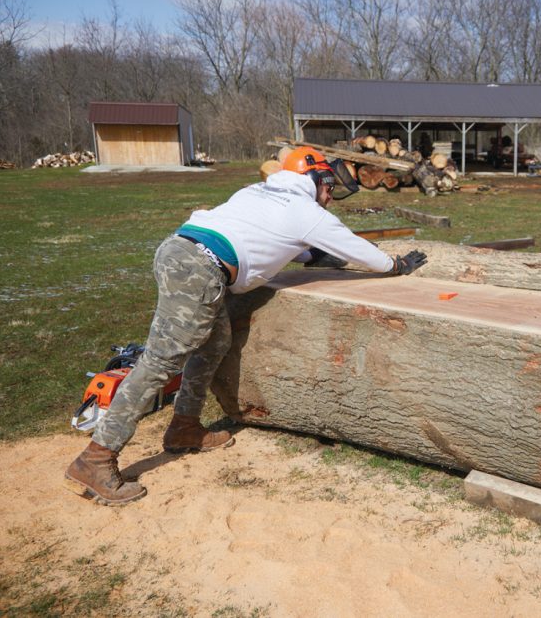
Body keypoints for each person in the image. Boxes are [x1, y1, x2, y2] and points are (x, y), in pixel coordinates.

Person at [64, 146, 428, 506]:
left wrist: (311, 253)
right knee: (160, 363)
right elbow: (355, 248)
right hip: (199, 271)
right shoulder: (304, 209)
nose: (330, 196)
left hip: (181, 253)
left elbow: (272, 236)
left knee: (214, 341)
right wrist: (394, 265)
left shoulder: (259, 191)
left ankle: (185, 426)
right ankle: (96, 458)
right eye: (329, 187)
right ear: (312, 176)